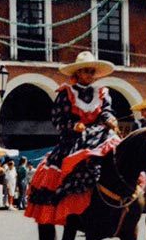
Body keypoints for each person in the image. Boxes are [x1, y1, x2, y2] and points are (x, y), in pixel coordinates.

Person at [25, 51, 120, 226]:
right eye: (86, 71)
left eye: (92, 72)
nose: (89, 75)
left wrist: (109, 119)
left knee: (118, 153)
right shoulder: (65, 93)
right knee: (72, 163)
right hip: (74, 138)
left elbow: (105, 111)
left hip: (98, 134)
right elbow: (57, 119)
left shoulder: (102, 92)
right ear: (77, 73)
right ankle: (67, 201)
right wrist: (73, 125)